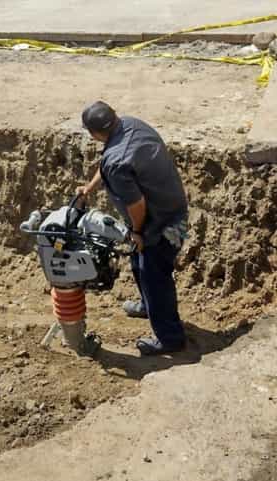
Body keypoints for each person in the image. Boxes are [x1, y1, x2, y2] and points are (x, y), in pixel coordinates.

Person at [78, 101, 188, 356]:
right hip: (171, 206)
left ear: (94, 133)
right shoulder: (130, 125)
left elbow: (136, 205)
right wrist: (90, 187)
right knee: (140, 263)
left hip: (160, 223)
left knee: (154, 276)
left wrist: (137, 232)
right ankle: (148, 306)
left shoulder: (117, 160)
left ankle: (170, 339)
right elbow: (108, 162)